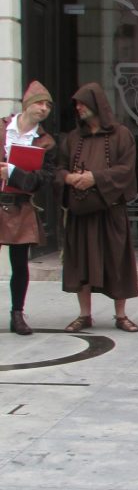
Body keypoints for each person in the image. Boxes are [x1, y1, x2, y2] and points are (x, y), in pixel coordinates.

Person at [57, 82, 138, 333]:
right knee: (81, 262)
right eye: (77, 105)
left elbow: (126, 169)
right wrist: (69, 178)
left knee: (116, 260)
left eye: (82, 103)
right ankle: (84, 315)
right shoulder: (73, 138)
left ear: (96, 104)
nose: (79, 108)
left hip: (110, 211)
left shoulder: (121, 135)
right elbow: (59, 169)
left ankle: (121, 315)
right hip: (81, 212)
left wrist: (95, 178)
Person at [0, 81, 56, 334]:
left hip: (20, 205)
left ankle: (17, 314)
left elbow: (43, 179)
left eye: (48, 106)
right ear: (27, 104)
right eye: (40, 103)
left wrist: (13, 173)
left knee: (19, 263)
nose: (44, 108)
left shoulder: (45, 141)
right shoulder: (2, 128)